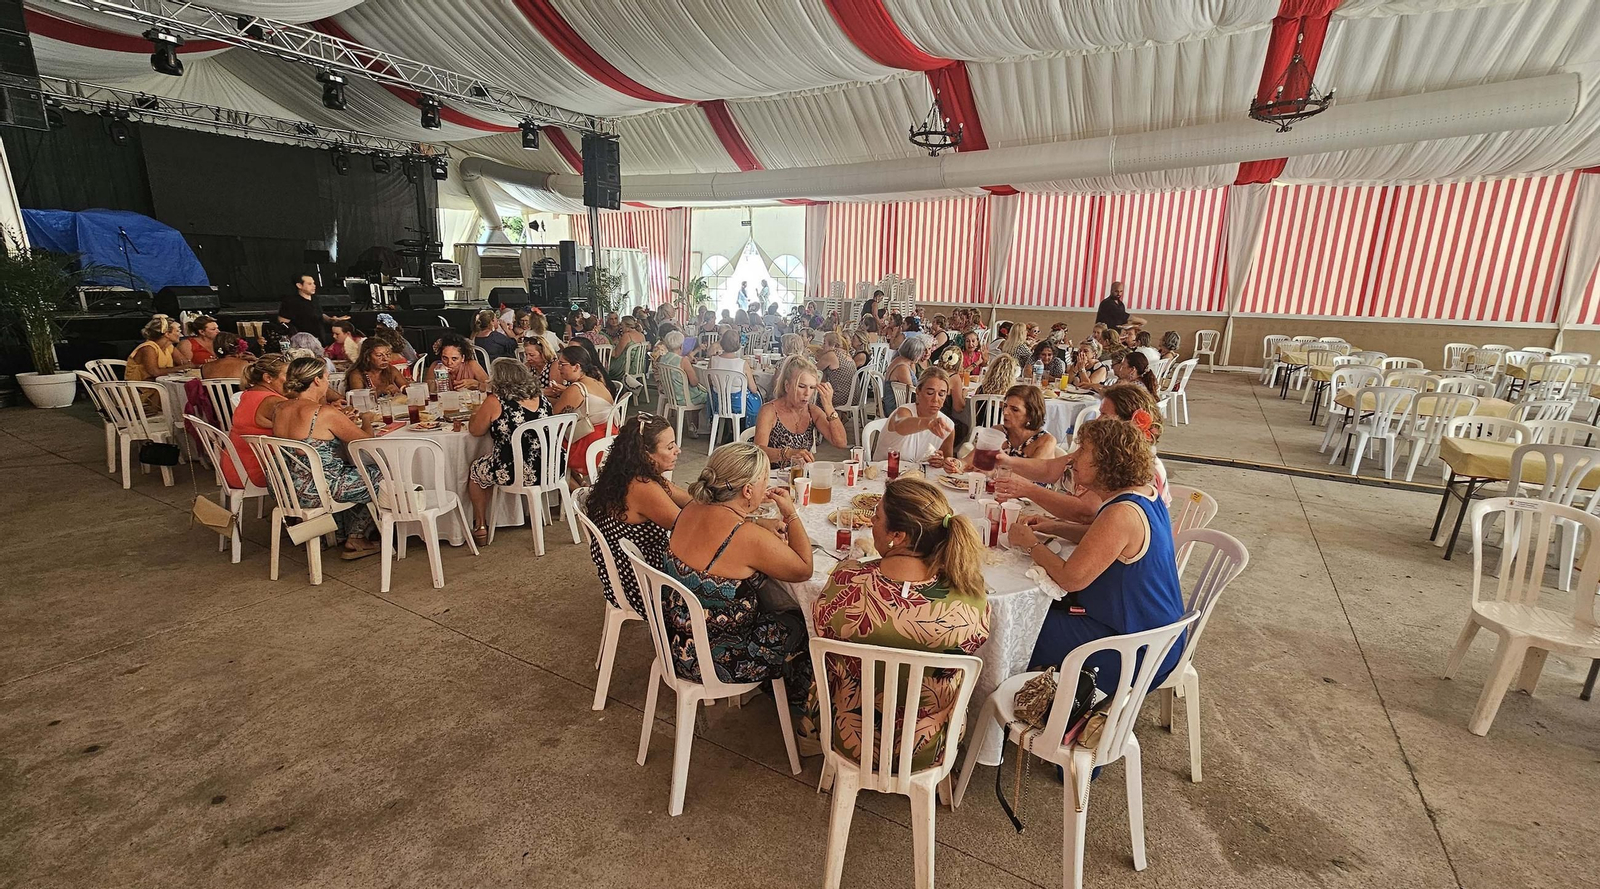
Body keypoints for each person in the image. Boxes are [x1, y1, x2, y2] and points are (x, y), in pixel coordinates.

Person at [812, 477, 990, 769]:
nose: (871, 521)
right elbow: (973, 645)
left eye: (877, 516)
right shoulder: (970, 598)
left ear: (898, 536)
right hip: (928, 748)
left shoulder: (846, 580)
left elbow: (822, 628)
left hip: (851, 740)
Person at [1008, 418, 1184, 693]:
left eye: (1082, 451)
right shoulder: (1143, 493)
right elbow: (1103, 540)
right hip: (1156, 633)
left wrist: (1030, 544)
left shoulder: (1121, 513)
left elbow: (1071, 578)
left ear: (1107, 461)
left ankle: (1007, 705)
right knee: (1039, 610)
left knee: (1018, 627)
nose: (1073, 458)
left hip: (1133, 649)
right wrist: (1053, 526)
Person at [662, 443, 814, 731]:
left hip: (675, 640)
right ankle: (800, 699)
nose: (766, 487)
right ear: (747, 490)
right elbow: (803, 569)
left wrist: (757, 522)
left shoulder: (693, 506)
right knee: (802, 619)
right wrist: (790, 513)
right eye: (764, 482)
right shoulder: (744, 536)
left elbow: (721, 530)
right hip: (716, 659)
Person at [996, 383, 1169, 521]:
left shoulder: (1132, 467)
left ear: (1127, 424)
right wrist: (1004, 460)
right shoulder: (1112, 452)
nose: (1097, 420)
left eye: (1104, 415)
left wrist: (1028, 490)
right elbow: (1050, 469)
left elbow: (1086, 512)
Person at [270, 357, 381, 560]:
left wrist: (341, 418)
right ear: (317, 380)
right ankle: (356, 537)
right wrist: (366, 419)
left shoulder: (279, 408)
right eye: (326, 377)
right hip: (318, 489)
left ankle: (334, 532)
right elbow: (365, 442)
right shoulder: (324, 413)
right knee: (380, 474)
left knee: (348, 469)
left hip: (285, 488)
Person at [584, 414, 692, 614]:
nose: (678, 450)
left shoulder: (626, 474)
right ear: (646, 453)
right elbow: (688, 528)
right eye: (670, 447)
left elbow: (688, 500)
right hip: (643, 585)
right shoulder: (643, 487)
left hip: (626, 572)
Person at [466, 360, 550, 545]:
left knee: (475, 470)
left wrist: (474, 415)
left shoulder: (495, 401)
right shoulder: (540, 397)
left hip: (516, 471)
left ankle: (480, 525)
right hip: (549, 467)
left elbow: (476, 431)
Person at [753, 357, 848, 466]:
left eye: (812, 387)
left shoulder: (812, 411)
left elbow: (841, 443)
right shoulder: (770, 411)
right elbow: (758, 452)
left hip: (801, 478)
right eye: (802, 386)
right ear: (787, 386)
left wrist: (829, 407)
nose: (807, 393)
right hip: (771, 476)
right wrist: (787, 454)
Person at [949, 384, 1057, 471]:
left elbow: (1032, 477)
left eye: (1014, 409)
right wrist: (955, 464)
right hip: (997, 491)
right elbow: (970, 460)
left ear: (1030, 415)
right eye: (1005, 406)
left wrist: (991, 474)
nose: (1005, 412)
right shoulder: (997, 431)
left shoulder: (1045, 441)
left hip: (1030, 497)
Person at [549, 344, 616, 480]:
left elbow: (554, 417)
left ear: (577, 367)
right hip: (607, 435)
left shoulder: (576, 389)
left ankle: (571, 487)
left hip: (589, 442)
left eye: (562, 364)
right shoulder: (595, 381)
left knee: (547, 444)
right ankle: (577, 483)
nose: (559, 368)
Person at [224, 354, 288, 489]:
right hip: (256, 474)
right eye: (288, 375)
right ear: (268, 378)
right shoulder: (273, 402)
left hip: (235, 468)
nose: (293, 380)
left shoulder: (249, 394)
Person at [878, 368, 958, 463]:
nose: (935, 399)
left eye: (941, 394)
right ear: (918, 392)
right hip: (884, 472)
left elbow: (947, 462)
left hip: (918, 475)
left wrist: (941, 462)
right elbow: (901, 425)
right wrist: (927, 423)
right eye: (930, 393)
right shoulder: (903, 412)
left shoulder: (948, 425)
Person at [707, 328, 763, 427]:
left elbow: (709, 382)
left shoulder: (713, 360)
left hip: (718, 402)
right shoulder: (742, 363)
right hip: (738, 405)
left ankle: (725, 430)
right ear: (738, 344)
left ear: (722, 343)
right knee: (757, 397)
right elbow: (753, 389)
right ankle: (747, 429)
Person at [655, 329, 708, 432]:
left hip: (671, 395)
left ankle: (692, 424)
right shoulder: (683, 361)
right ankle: (700, 427)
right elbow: (694, 382)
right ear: (681, 346)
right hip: (685, 398)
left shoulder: (662, 358)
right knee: (708, 396)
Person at [277, 274, 344, 342]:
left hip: (320, 338)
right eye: (309, 284)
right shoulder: (291, 302)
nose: (314, 286)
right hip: (303, 341)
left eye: (313, 283)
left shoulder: (315, 299)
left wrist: (331, 320)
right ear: (299, 285)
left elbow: (319, 314)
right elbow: (283, 322)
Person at [345, 337, 409, 397]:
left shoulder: (391, 370)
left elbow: (406, 387)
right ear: (367, 357)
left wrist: (401, 390)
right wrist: (380, 391)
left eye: (388, 354)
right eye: (379, 355)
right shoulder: (357, 374)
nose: (385, 359)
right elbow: (358, 399)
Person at [882, 336, 928, 414]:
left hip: (896, 403)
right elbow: (912, 390)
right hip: (895, 407)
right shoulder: (902, 368)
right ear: (916, 353)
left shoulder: (899, 360)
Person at [815, 331, 856, 408]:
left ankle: (822, 418)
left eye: (824, 343)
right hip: (854, 396)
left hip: (841, 397)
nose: (822, 346)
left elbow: (813, 370)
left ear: (833, 345)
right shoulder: (845, 353)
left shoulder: (831, 355)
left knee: (815, 396)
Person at [607, 315, 648, 381]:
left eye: (622, 325)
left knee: (604, 367)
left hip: (625, 368)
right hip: (639, 367)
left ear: (626, 325)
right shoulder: (641, 335)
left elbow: (615, 354)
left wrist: (606, 345)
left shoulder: (627, 336)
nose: (620, 327)